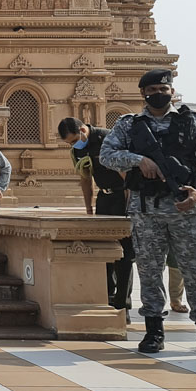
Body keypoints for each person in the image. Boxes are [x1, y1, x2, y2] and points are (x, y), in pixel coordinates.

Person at [100, 68, 196, 354]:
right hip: (146, 210)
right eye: (152, 91)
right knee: (150, 271)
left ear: (171, 91)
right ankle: (153, 332)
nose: (158, 95)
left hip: (187, 208)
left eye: (163, 90)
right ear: (143, 94)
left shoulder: (191, 122)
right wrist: (138, 160)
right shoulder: (129, 125)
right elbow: (106, 155)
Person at [59, 116, 134, 322]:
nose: (74, 145)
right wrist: (88, 208)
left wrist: (129, 206)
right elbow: (85, 178)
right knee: (104, 249)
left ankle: (122, 304)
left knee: (125, 253)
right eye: (70, 143)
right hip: (104, 198)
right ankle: (108, 297)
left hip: (122, 196)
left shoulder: (108, 138)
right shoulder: (78, 150)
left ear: (83, 129)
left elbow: (125, 173)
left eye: (75, 140)